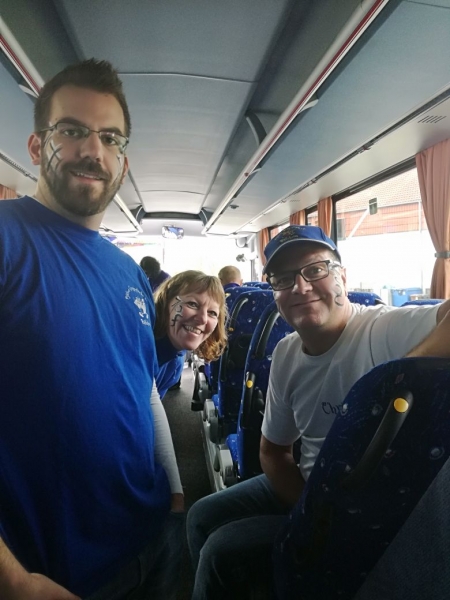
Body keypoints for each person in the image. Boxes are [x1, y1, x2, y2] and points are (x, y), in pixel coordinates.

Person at [0, 59, 184, 600]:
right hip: (50, 572)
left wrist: (176, 491)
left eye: (110, 138)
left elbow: (142, 390)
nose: (93, 150)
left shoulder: (127, 271)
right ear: (37, 147)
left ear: (122, 162)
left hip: (150, 538)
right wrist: (12, 581)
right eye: (72, 130)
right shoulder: (7, 240)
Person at [187, 224, 450, 599]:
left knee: (220, 551)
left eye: (315, 270)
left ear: (342, 276)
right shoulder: (286, 353)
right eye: (283, 278)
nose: (300, 286)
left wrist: (401, 376)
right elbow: (273, 452)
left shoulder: (383, 328)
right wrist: (310, 515)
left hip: (379, 511)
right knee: (201, 516)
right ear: (274, 292)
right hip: (309, 487)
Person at [153, 270, 227, 399]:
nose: (203, 319)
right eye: (192, 304)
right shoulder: (137, 350)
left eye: (212, 313)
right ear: (165, 303)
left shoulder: (175, 362)